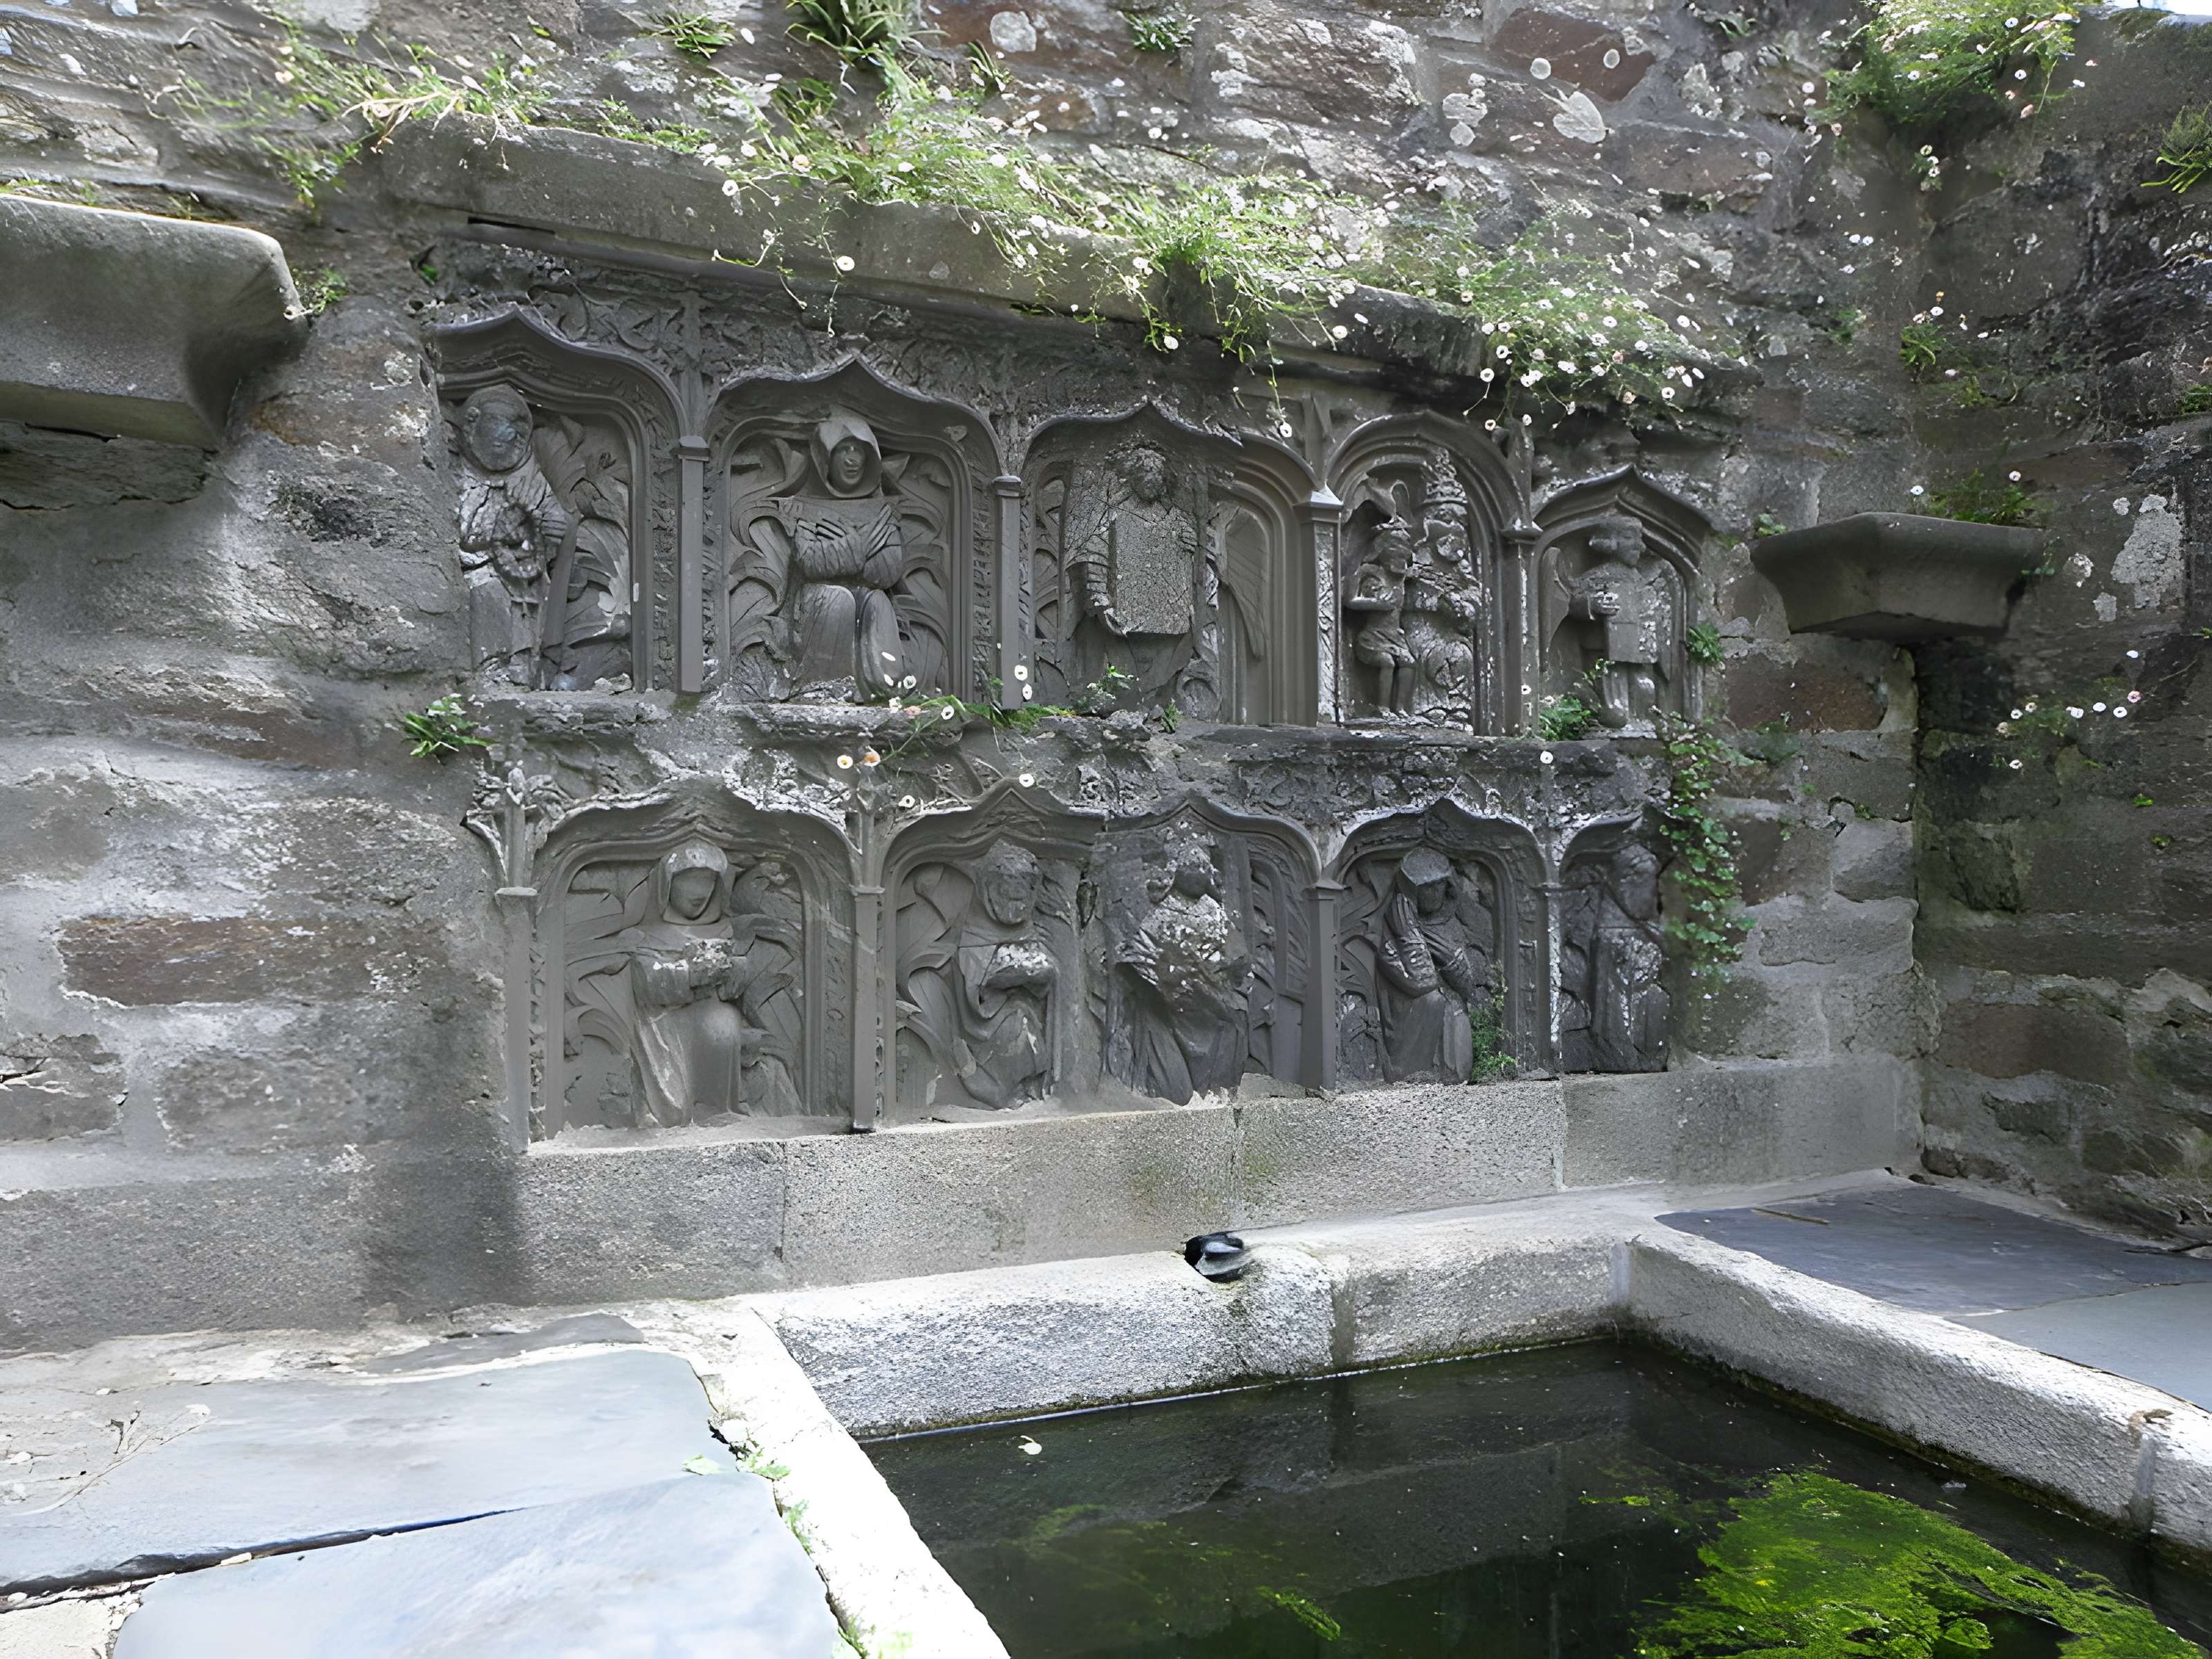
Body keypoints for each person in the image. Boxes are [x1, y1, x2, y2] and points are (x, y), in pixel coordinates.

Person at [1119, 834, 1250, 1104]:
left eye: (1203, 866)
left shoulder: (1214, 910)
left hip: (1213, 1010)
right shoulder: (1162, 912)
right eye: (1190, 866)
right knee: (1173, 1087)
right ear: (1175, 872)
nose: (1198, 872)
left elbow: (1238, 957)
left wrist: (1226, 969)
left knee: (1233, 1028)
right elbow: (1140, 957)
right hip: (1173, 1009)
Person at [787, 415, 908, 697]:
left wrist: (840, 551)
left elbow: (890, 569)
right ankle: (822, 689)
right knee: (836, 600)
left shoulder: (881, 512)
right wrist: (862, 548)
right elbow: (809, 561)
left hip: (866, 596)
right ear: (826, 457)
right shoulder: (805, 508)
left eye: (859, 450)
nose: (852, 459)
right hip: (818, 601)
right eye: (843, 449)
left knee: (878, 600)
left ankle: (884, 690)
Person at [953, 841, 1059, 1107]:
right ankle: (999, 1090)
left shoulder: (1032, 932)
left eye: (1023, 900)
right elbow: (971, 980)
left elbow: (1047, 975)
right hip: (986, 1022)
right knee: (1014, 1028)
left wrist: (1037, 973)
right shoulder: (973, 930)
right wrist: (1001, 975)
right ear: (988, 890)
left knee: (1024, 1028)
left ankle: (1026, 1090)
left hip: (1025, 1013)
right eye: (1007, 897)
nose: (1016, 908)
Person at [1376, 847, 1488, 1082]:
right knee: (1435, 1001)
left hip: (1456, 1009)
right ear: (1410, 890)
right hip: (1410, 1015)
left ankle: (1455, 1075)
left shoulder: (1457, 920)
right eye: (1426, 886)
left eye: (1439, 884)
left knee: (1454, 1009)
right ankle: (1417, 1073)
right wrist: (1409, 934)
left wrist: (1455, 963)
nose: (1435, 891)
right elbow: (1420, 981)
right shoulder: (1396, 922)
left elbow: (1476, 980)